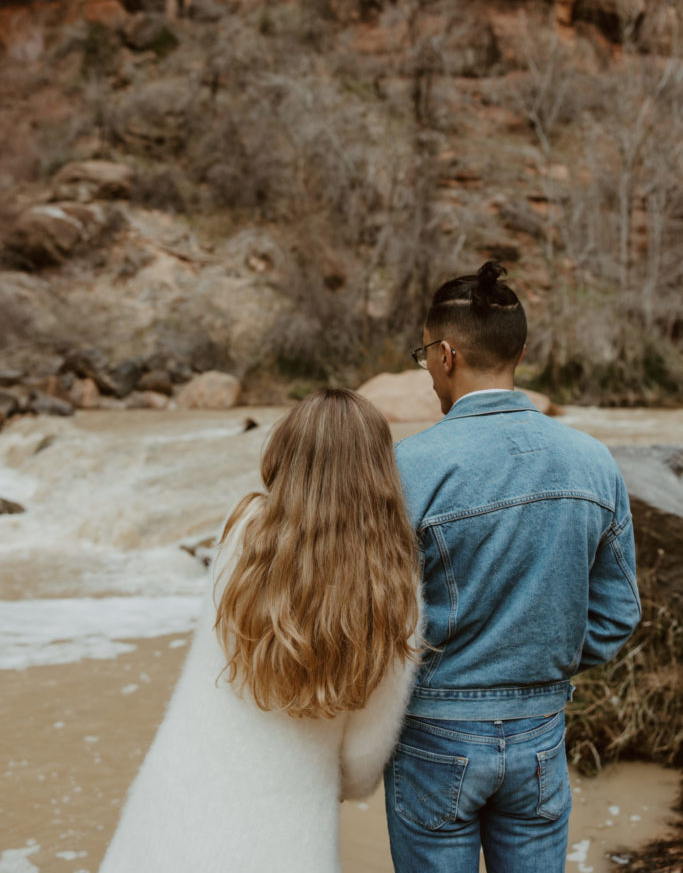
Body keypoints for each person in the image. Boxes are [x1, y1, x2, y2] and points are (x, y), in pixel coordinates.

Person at [384, 261, 641, 873]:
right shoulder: (593, 461)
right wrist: (540, 663)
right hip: (541, 735)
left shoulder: (406, 467)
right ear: (520, 351)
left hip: (432, 733)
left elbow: (373, 613)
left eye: (425, 358)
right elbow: (618, 612)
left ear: (445, 355)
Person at [100, 388, 420, 873]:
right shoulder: (395, 585)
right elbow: (362, 761)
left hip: (177, 800)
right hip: (286, 833)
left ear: (284, 452)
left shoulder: (243, 531)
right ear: (380, 471)